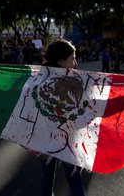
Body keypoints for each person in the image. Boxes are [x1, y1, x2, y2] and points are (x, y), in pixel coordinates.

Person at [41, 39, 87, 196]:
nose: (75, 62)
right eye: (72, 59)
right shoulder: (74, 83)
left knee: (47, 178)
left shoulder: (38, 79)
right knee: (74, 180)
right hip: (67, 141)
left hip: (42, 140)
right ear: (60, 62)